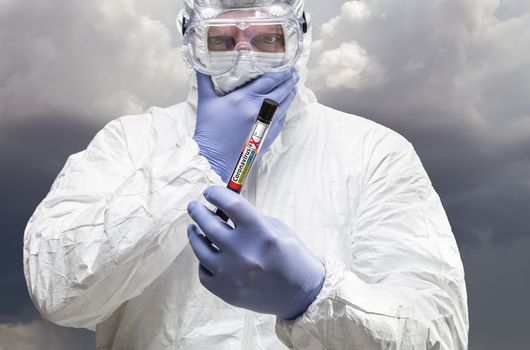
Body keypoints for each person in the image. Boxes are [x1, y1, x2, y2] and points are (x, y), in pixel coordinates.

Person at [22, 0, 468, 348]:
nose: (244, 59)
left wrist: (314, 298)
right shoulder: (129, 144)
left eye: (266, 39)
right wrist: (198, 159)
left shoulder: (374, 154)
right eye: (221, 40)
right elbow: (57, 292)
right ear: (191, 42)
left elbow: (438, 334)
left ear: (299, 38)